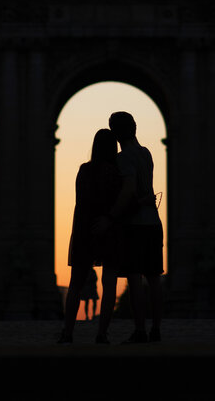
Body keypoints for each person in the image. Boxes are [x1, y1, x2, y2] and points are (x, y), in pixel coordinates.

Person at [59, 129, 120, 344]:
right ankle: (102, 334)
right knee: (109, 282)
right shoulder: (116, 172)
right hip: (109, 229)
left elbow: (80, 203)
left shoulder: (84, 171)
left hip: (85, 229)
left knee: (76, 284)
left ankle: (67, 333)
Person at [107, 111, 163, 343]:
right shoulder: (146, 153)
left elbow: (129, 189)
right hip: (154, 221)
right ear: (135, 127)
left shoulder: (123, 158)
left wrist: (112, 215)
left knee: (134, 278)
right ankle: (156, 330)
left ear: (115, 133)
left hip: (135, 224)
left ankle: (140, 330)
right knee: (154, 278)